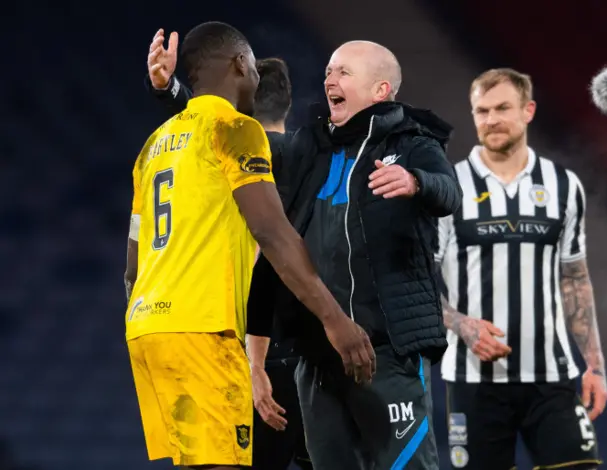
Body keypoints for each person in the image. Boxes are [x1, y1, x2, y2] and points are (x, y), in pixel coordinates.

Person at [144, 34, 462, 470]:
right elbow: (222, 136)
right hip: (318, 360)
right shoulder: (307, 148)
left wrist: (417, 182)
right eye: (329, 70)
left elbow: (450, 193)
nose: (330, 78)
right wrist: (172, 94)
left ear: (380, 90)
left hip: (387, 352)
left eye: (344, 72)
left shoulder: (412, 144)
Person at [124, 22, 375, 469]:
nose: (257, 81)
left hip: (147, 327)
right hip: (204, 328)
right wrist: (335, 320)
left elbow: (131, 267)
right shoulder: (238, 129)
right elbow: (272, 232)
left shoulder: (152, 147)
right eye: (253, 68)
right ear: (240, 64)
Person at [145, 29, 311, 470]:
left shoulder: (201, 142)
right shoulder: (300, 154)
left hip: (216, 335)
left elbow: (199, 119)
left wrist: (169, 90)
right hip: (286, 347)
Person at [436, 68, 607, 470]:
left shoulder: (563, 185)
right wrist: (463, 325)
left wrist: (595, 367)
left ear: (528, 110)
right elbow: (422, 283)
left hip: (553, 377)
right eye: (481, 111)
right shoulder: (448, 186)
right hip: (473, 381)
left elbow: (575, 280)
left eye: (502, 108)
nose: (491, 119)